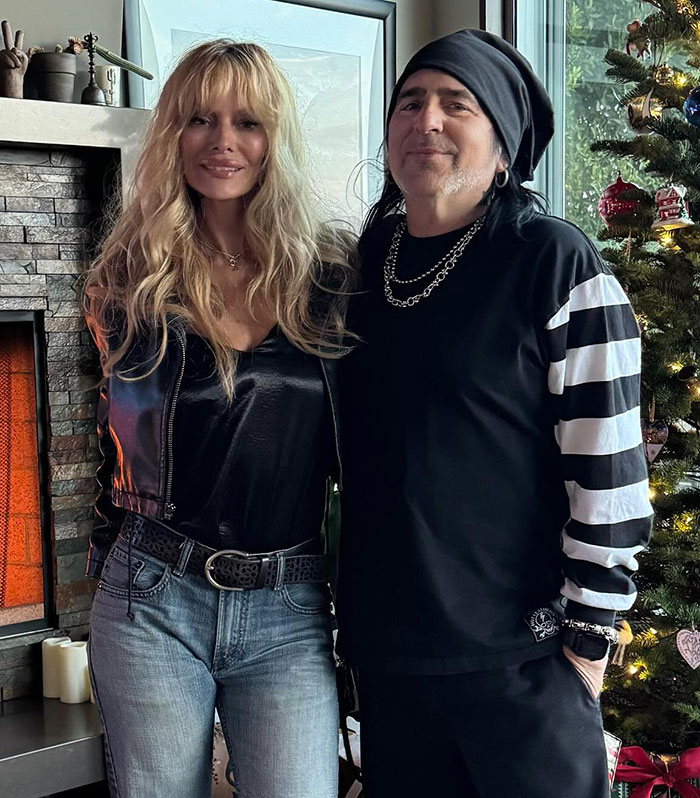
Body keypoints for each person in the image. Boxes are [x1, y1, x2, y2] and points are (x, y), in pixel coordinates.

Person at [336, 29, 653, 797]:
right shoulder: (362, 263)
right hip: (392, 664)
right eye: (409, 103)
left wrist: (585, 652)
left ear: (505, 146)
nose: (427, 121)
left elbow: (609, 475)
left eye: (457, 104)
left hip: (523, 665)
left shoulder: (553, 260)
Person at [83, 40, 354, 798]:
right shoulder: (130, 279)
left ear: (276, 138)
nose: (223, 142)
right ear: (174, 132)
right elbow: (117, 445)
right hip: (152, 595)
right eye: (200, 120)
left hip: (289, 602)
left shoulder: (330, 275)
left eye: (248, 122)